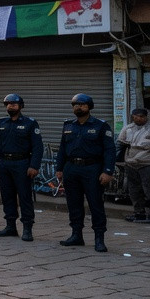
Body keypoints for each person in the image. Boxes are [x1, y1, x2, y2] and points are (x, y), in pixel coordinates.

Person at [56, 93, 117, 252]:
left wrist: (108, 171)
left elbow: (110, 150)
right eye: (75, 105)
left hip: (92, 169)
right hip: (71, 168)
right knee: (73, 203)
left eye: (82, 105)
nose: (78, 107)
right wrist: (59, 168)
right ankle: (76, 235)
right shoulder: (68, 125)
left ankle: (99, 238)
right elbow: (62, 148)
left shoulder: (100, 126)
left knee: (95, 204)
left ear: (89, 107)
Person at [0, 94, 43, 242]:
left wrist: (34, 166)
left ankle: (27, 228)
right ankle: (10, 226)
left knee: (25, 196)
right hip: (4, 164)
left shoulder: (30, 123)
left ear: (20, 106)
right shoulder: (1, 123)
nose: (10, 106)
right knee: (7, 196)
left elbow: (37, 147)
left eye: (13, 104)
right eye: (8, 104)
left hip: (22, 164)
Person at [117, 108, 150, 223]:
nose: (139, 119)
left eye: (141, 116)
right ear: (132, 117)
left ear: (146, 117)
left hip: (146, 163)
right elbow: (120, 144)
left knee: (148, 189)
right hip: (130, 164)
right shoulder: (127, 128)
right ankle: (139, 213)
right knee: (134, 190)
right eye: (136, 116)